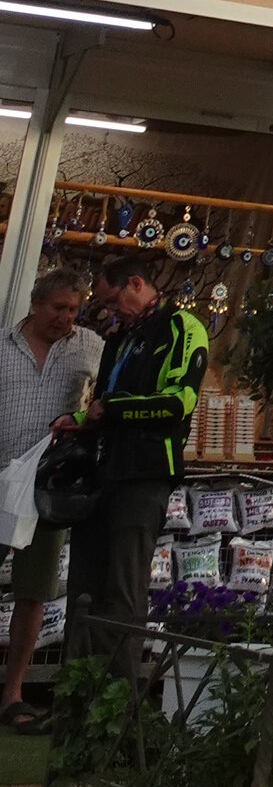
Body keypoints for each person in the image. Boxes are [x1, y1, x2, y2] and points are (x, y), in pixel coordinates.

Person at [63, 258, 207, 679]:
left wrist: (109, 412)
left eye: (112, 302)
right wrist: (78, 420)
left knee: (124, 590)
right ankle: (75, 696)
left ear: (136, 284)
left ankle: (117, 705)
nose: (110, 312)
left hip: (145, 475)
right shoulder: (120, 337)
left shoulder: (182, 328)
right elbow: (101, 403)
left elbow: (179, 402)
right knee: (83, 587)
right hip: (101, 472)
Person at [0, 269, 102, 727]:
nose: (66, 317)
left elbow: (112, 388)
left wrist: (89, 414)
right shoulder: (2, 346)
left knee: (34, 590)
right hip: (0, 475)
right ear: (36, 304)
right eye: (58, 308)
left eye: (73, 310)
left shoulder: (87, 346)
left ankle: (13, 693)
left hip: (46, 485)